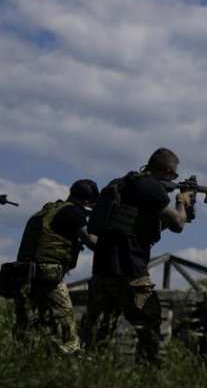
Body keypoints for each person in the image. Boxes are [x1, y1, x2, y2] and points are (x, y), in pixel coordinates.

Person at [79, 148, 193, 363]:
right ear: (167, 171)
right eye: (174, 175)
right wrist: (182, 201)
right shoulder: (151, 187)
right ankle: (147, 371)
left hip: (102, 268)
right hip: (130, 268)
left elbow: (140, 226)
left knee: (98, 326)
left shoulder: (120, 184)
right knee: (148, 324)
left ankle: (88, 368)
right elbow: (178, 223)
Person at [12, 179, 99, 353]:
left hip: (21, 273)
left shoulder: (45, 210)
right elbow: (92, 243)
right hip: (48, 276)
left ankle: (21, 362)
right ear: (87, 202)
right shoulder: (74, 213)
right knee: (68, 330)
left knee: (26, 327)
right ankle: (67, 362)